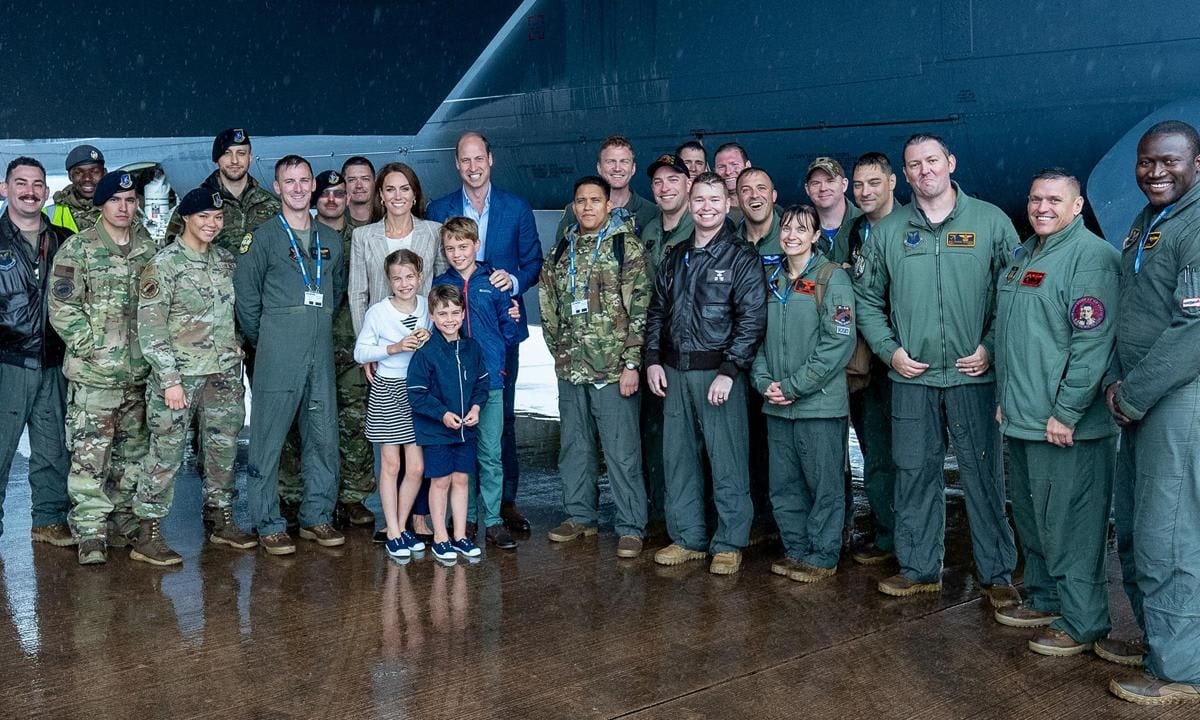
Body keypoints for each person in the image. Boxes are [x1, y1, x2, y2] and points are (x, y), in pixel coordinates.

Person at [855, 133, 1019, 605]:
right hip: (913, 377)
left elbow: (1010, 294)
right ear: (903, 175)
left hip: (974, 376)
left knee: (984, 476)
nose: (924, 170)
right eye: (914, 164)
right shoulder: (887, 232)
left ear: (950, 161)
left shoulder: (990, 222)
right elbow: (866, 299)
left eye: (932, 160)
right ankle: (920, 568)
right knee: (914, 474)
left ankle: (997, 574)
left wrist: (989, 347)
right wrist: (889, 352)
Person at [993, 168, 1120, 657]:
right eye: (1034, 199)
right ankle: (1046, 598)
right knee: (1034, 521)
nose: (1041, 208)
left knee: (1071, 527)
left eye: (1053, 200)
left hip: (1067, 427)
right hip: (1025, 418)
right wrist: (1009, 397)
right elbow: (1018, 338)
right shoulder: (1024, 255)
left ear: (1078, 205)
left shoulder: (1092, 259)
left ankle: (1083, 620)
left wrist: (1066, 411)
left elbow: (1092, 345)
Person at [1105, 121, 1200, 706]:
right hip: (1140, 395)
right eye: (1146, 162)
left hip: (1175, 398)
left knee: (1168, 536)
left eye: (1169, 162)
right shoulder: (1149, 222)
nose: (1155, 172)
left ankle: (1183, 670)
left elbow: (1194, 329)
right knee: (1138, 527)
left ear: (1198, 164)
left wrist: (1133, 393)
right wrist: (1123, 385)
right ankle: (1157, 640)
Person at [644, 171, 766, 575]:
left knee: (727, 459)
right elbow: (657, 312)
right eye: (700, 200)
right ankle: (688, 538)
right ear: (690, 203)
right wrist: (652, 360)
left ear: (727, 204)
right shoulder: (675, 256)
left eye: (715, 200)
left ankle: (730, 542)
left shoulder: (740, 256)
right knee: (678, 459)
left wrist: (730, 370)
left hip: (718, 374)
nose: (707, 207)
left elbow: (751, 319)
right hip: (675, 372)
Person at [132, 188, 257, 566]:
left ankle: (221, 518)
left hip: (222, 374)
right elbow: (151, 328)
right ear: (185, 217)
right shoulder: (164, 264)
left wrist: (237, 350)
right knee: (166, 452)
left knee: (223, 448)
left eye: (217, 218)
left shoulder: (225, 261)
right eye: (203, 216)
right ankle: (147, 530)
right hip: (181, 377)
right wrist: (169, 378)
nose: (211, 224)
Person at [426, 132, 543, 533]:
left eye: (479, 159)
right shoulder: (439, 208)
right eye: (465, 160)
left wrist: (510, 284)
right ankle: (464, 512)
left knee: (500, 421)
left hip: (496, 336)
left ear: (490, 160)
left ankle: (503, 503)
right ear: (456, 164)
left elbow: (533, 262)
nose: (473, 167)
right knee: (457, 425)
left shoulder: (516, 207)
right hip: (453, 341)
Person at [234, 155, 347, 556]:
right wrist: (267, 338)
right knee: (268, 439)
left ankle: (317, 515)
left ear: (312, 186)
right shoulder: (262, 238)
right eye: (289, 181)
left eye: (304, 181)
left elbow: (335, 296)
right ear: (277, 188)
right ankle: (268, 522)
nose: (298, 188)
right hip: (277, 352)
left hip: (319, 347)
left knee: (322, 435)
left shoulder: (330, 241)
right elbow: (246, 300)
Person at [48, 171, 156, 564]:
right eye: (116, 200)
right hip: (95, 376)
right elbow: (62, 306)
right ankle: (91, 531)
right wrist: (91, 347)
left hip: (138, 374)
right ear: (102, 205)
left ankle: (122, 521)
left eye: (130, 200)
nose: (124, 208)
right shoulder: (78, 249)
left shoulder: (150, 250)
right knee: (90, 458)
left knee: (133, 455)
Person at [541, 176, 650, 557]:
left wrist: (632, 363)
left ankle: (631, 526)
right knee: (575, 447)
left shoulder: (625, 246)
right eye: (581, 201)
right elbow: (549, 306)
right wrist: (559, 353)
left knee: (621, 452)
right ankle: (579, 516)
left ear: (608, 205)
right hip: (572, 369)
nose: (587, 207)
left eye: (595, 200)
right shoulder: (561, 251)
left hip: (613, 370)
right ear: (573, 206)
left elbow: (640, 308)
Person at [752, 204, 856, 582]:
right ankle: (796, 550)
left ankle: (822, 555)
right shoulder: (771, 279)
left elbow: (837, 344)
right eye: (787, 228)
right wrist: (764, 383)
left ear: (816, 236)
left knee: (823, 485)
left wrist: (795, 386)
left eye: (802, 229)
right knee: (785, 485)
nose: (792, 235)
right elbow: (756, 338)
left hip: (818, 406)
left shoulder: (832, 279)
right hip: (778, 405)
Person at [278, 169, 376, 528]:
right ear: (315, 201)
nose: (332, 199)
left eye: (339, 193)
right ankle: (293, 494)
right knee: (298, 425)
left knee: (354, 423)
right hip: (307, 346)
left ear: (349, 198)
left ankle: (352, 497)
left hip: (351, 346)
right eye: (325, 194)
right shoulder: (297, 237)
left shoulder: (364, 239)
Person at [432, 217, 521, 549]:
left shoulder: (493, 282)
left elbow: (509, 330)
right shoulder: (441, 283)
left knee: (489, 453)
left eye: (463, 246)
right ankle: (466, 518)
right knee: (462, 453)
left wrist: (510, 321)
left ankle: (494, 520)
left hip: (490, 382)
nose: (457, 253)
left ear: (476, 245)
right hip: (455, 385)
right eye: (451, 248)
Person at [0, 157, 73, 547]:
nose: (30, 191)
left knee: (52, 450)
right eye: (21, 183)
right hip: (7, 363)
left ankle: (48, 520)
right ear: (5, 188)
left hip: (52, 362)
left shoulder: (63, 240)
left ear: (46, 191)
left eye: (37, 184)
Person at [836, 152, 901, 565]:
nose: (865, 192)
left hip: (904, 357)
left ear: (892, 183)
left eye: (873, 183)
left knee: (908, 455)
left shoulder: (911, 226)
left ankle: (911, 539)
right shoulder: (856, 231)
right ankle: (886, 534)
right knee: (875, 450)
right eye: (859, 185)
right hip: (868, 361)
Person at [354, 249, 431, 559]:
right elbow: (361, 352)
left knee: (415, 467)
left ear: (420, 277)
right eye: (397, 278)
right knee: (391, 464)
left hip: (418, 391)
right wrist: (395, 347)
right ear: (388, 280)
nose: (404, 283)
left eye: (410, 276)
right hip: (388, 389)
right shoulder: (378, 312)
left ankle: (400, 525)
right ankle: (394, 531)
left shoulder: (427, 306)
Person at [407, 284, 490, 565]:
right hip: (436, 430)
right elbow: (416, 394)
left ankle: (460, 536)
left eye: (455, 312)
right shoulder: (426, 352)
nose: (450, 319)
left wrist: (477, 408)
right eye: (443, 313)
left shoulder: (472, 348)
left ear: (463, 313)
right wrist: (442, 414)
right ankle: (441, 537)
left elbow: (482, 383)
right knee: (441, 480)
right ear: (432, 315)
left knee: (461, 479)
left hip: (466, 429)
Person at [637, 154, 694, 525]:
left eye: (673, 179)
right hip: (654, 351)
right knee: (655, 437)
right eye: (658, 182)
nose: (665, 187)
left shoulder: (703, 228)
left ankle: (694, 521)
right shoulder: (650, 232)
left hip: (691, 354)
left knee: (693, 443)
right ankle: (661, 515)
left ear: (689, 184)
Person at [169, 128, 280, 256]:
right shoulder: (194, 206)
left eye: (241, 153)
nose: (234, 161)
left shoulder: (272, 206)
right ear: (217, 159)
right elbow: (172, 255)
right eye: (227, 153)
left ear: (250, 158)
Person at [555, 135, 658, 238]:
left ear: (633, 168)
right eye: (610, 161)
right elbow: (559, 251)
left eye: (624, 161)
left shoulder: (650, 212)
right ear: (599, 167)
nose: (617, 168)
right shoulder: (578, 210)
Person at [805, 157, 861, 257]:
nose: (823, 188)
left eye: (830, 181)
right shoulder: (798, 228)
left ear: (844, 185)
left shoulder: (865, 222)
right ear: (807, 189)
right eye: (816, 183)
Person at [47, 145, 105, 233]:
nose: (87, 178)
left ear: (104, 173)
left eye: (95, 172)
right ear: (70, 176)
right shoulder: (48, 214)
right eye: (78, 172)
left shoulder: (121, 208)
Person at [736, 167, 781, 255]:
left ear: (774, 196)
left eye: (761, 188)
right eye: (746, 190)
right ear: (738, 200)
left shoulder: (793, 238)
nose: (754, 195)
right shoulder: (729, 245)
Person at [713, 142, 751, 222]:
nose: (728, 172)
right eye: (721, 167)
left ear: (747, 166)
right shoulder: (709, 210)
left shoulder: (767, 207)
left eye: (734, 165)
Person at [342, 156, 379, 228]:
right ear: (343, 185)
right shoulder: (335, 219)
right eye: (352, 180)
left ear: (374, 182)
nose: (359, 185)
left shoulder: (388, 217)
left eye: (365, 179)